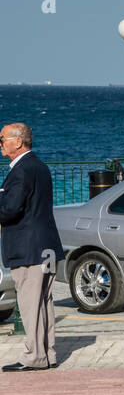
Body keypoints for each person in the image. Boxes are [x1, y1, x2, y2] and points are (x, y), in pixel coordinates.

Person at [0, 123, 64, 372]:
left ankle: (34, 356)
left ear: (18, 142)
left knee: (29, 303)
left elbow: (11, 208)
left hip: (28, 249)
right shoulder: (40, 166)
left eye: (2, 138)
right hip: (46, 245)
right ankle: (47, 353)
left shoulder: (21, 170)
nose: (1, 143)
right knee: (44, 302)